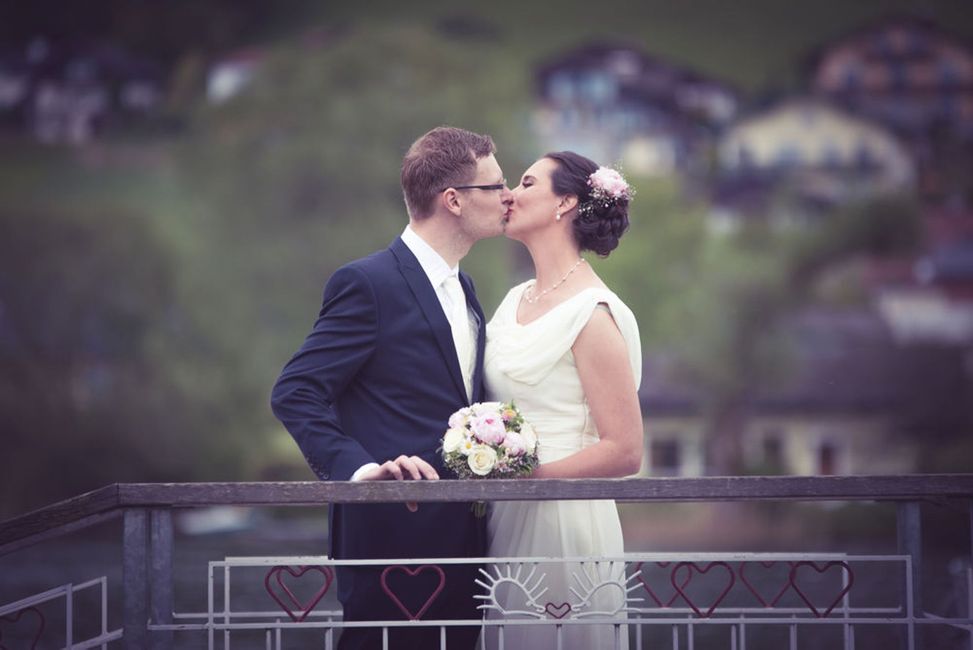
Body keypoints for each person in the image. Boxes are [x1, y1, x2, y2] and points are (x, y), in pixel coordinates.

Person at [270, 126, 513, 650]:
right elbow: (296, 391)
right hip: (389, 535)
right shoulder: (368, 283)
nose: (507, 195)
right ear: (453, 200)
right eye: (495, 186)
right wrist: (358, 472)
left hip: (464, 538)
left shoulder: (465, 287)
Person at [482, 152, 643, 649]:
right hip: (504, 514)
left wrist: (530, 479)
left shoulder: (593, 313)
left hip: (564, 520)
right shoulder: (514, 301)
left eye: (526, 183)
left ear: (566, 203)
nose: (509, 194)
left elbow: (624, 450)